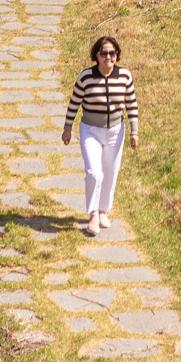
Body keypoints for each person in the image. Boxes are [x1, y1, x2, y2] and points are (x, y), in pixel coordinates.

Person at [61, 35, 138, 235]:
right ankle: (93, 214)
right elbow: (74, 103)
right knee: (94, 173)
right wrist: (67, 128)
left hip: (115, 131)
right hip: (90, 131)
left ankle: (104, 210)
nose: (108, 57)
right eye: (104, 53)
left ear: (117, 55)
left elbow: (131, 104)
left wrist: (134, 132)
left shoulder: (124, 76)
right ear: (97, 55)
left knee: (111, 172)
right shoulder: (86, 77)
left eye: (112, 53)